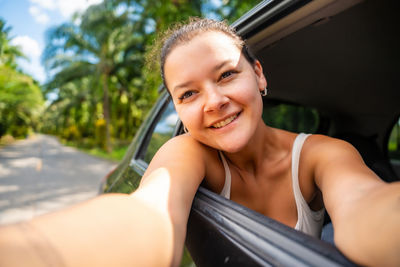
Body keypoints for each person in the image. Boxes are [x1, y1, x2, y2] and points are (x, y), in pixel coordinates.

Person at [0, 18, 399, 267]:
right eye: (188, 94)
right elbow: (148, 216)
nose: (213, 102)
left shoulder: (322, 154)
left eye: (226, 75)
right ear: (176, 107)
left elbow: (365, 206)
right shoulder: (187, 152)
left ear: (258, 74)